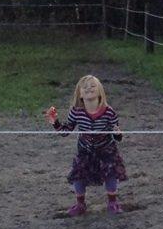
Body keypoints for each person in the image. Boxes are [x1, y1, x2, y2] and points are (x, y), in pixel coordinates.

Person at [44, 75, 127, 216]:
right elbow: (66, 131)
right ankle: (80, 204)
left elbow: (117, 137)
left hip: (106, 149)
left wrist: (117, 133)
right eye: (85, 87)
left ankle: (112, 202)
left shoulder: (109, 112)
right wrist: (55, 122)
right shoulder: (76, 112)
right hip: (85, 150)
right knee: (78, 175)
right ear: (80, 94)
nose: (89, 89)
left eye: (93, 86)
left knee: (111, 172)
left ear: (100, 91)